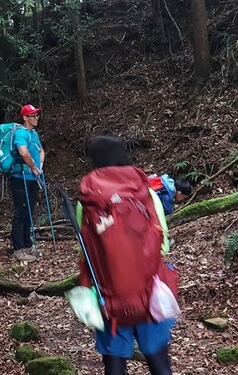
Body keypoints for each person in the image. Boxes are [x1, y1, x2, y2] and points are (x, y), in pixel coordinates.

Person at [77, 136, 176, 375]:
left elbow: (86, 253)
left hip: (108, 297)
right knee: (159, 362)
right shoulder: (147, 193)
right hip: (150, 292)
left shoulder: (88, 201)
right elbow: (163, 245)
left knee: (114, 364)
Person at [10, 104, 45, 262]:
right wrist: (33, 167)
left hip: (32, 178)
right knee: (21, 212)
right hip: (20, 178)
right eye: (33, 115)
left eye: (37, 115)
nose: (36, 117)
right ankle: (18, 249)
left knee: (29, 212)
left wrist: (40, 167)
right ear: (25, 118)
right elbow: (23, 152)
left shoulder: (34, 134)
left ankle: (27, 244)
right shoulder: (21, 134)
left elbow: (41, 151)